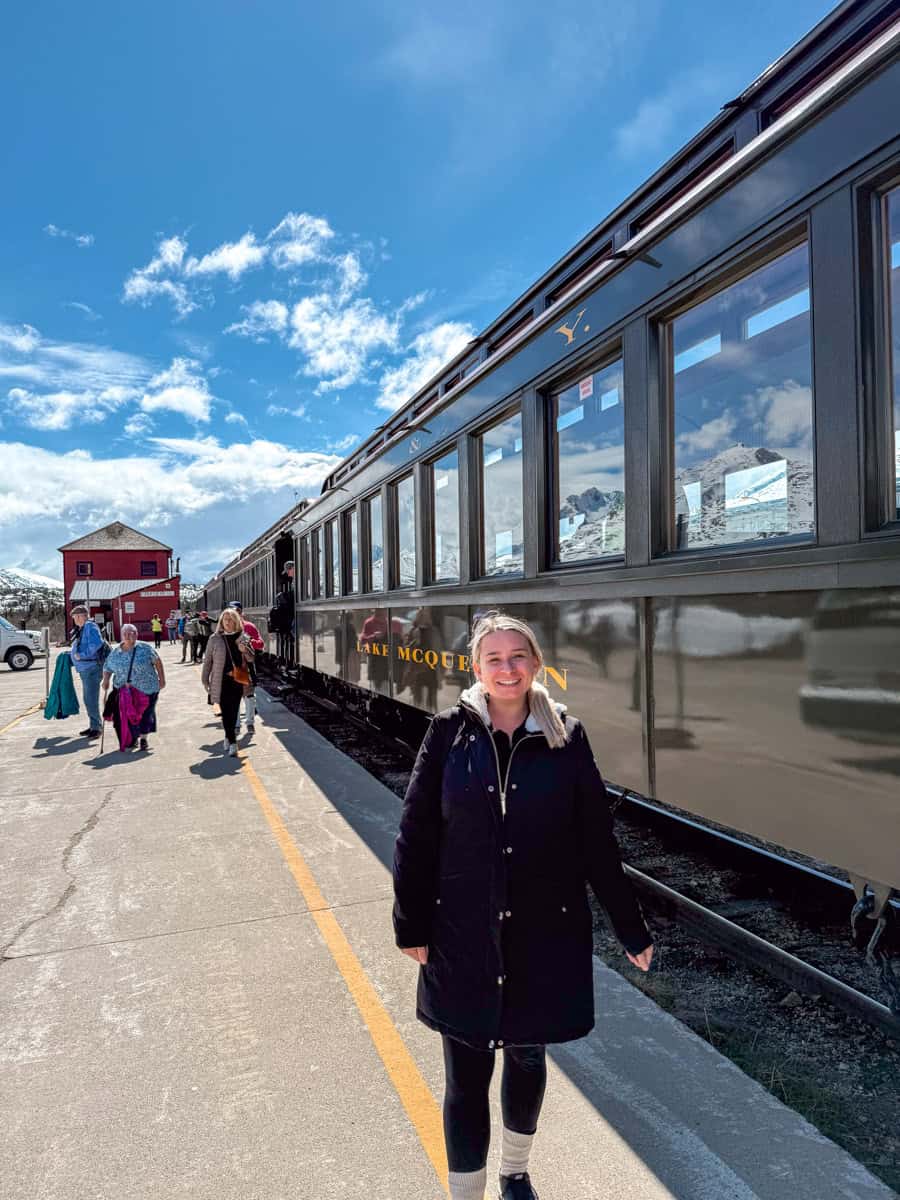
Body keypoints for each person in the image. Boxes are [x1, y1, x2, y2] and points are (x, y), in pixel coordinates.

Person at [392, 612, 653, 1200]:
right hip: (462, 931)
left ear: (536, 664)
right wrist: (410, 920)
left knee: (528, 1059)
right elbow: (417, 833)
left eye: (518, 657)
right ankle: (466, 1193)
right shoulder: (446, 734)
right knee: (465, 1076)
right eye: (494, 659)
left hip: (543, 932)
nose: (506, 669)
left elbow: (594, 841)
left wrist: (630, 928)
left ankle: (514, 1172)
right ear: (476, 667)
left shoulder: (566, 735)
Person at [101, 623, 165, 751]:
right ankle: (132, 738)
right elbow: (107, 667)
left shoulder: (145, 648)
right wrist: (106, 680)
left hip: (147, 688)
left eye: (134, 633)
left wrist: (162, 679)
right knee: (127, 715)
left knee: (146, 714)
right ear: (123, 635)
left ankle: (143, 739)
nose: (131, 635)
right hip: (124, 690)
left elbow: (157, 662)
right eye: (127, 633)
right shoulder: (116, 652)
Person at [201, 608, 255, 756]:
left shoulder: (243, 636)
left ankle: (228, 736)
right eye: (226, 620)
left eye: (231, 619)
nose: (228, 622)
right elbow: (208, 661)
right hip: (221, 680)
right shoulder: (215, 638)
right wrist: (205, 679)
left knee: (233, 709)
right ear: (221, 622)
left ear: (236, 621)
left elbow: (251, 658)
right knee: (226, 712)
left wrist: (245, 650)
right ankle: (232, 741)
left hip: (238, 680)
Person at [68, 604, 105, 739]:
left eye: (76, 617)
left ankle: (97, 728)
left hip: (91, 668)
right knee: (88, 699)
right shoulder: (82, 628)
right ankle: (94, 725)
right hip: (86, 668)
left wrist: (81, 655)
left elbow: (96, 644)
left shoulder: (90, 626)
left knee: (91, 699)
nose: (75, 620)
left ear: (82, 616)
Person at [229, 601, 264, 734]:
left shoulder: (249, 627)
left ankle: (249, 723)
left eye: (237, 611)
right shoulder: (225, 628)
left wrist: (250, 642)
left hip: (245, 666)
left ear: (241, 612)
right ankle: (237, 725)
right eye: (232, 611)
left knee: (249, 696)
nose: (235, 614)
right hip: (231, 666)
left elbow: (260, 644)